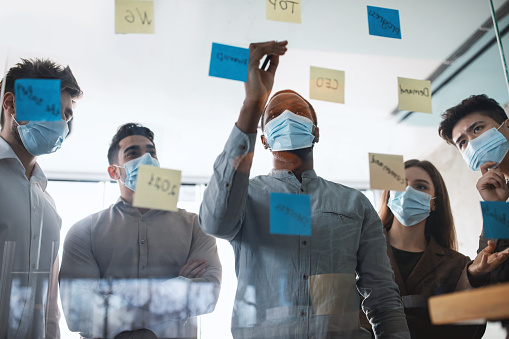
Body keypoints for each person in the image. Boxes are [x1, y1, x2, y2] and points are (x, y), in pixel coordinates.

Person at [199, 40, 409, 339]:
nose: (287, 118)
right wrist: (252, 105)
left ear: (316, 132)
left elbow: (382, 295)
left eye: (298, 112)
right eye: (273, 116)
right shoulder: (246, 197)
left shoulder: (354, 203)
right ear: (264, 140)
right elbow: (214, 222)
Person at [59, 123, 222, 339]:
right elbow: (78, 315)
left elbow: (207, 295)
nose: (147, 160)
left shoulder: (196, 226)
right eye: (133, 154)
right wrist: (178, 288)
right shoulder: (84, 231)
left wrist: (114, 295)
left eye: (151, 153)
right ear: (114, 171)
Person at [0, 58, 82, 339]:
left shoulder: (49, 207)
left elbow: (49, 307)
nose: (60, 122)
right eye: (50, 107)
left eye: (66, 115)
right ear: (11, 104)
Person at [360, 159, 486, 338]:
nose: (408, 191)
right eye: (400, 184)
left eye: (420, 187)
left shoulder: (457, 265)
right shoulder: (358, 249)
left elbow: (470, 328)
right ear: (388, 195)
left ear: (434, 202)